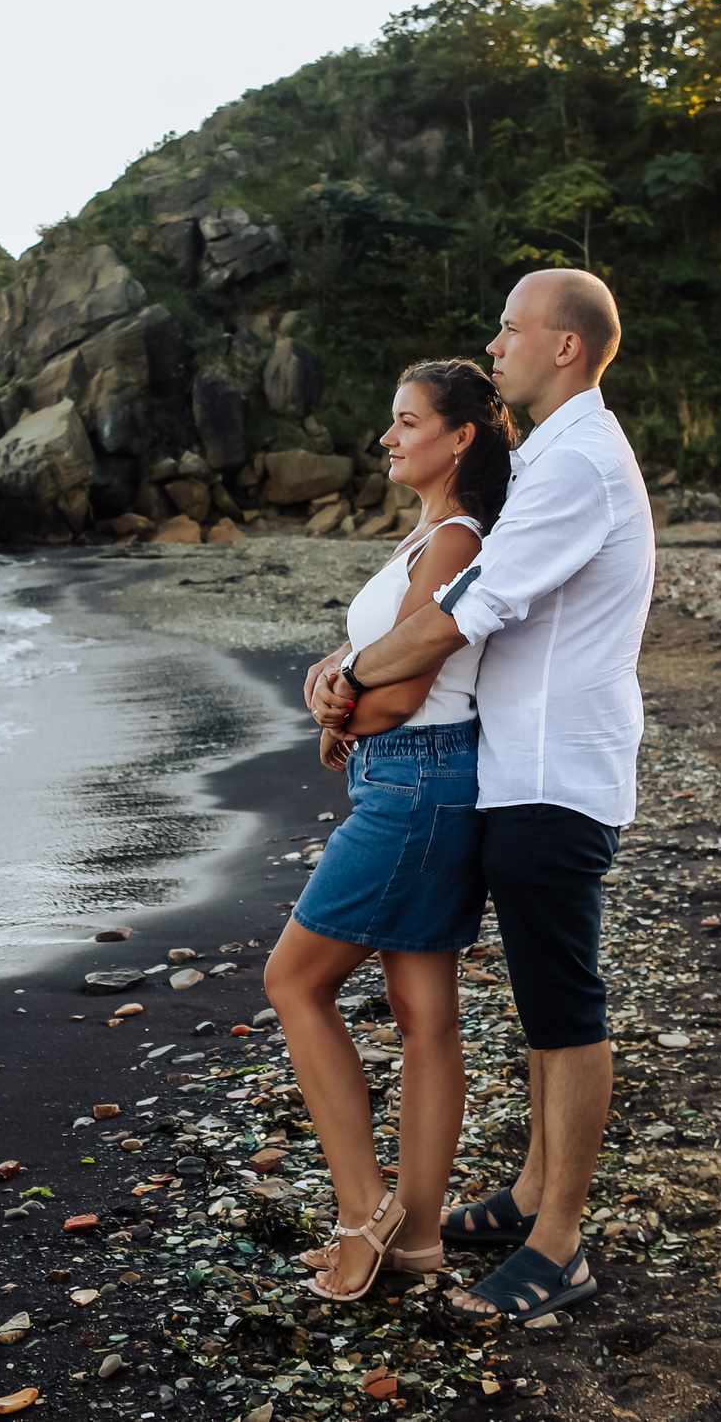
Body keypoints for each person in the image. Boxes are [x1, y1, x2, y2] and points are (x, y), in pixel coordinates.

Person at [307, 269, 653, 1325]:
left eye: (512, 329)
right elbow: (454, 608)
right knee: (538, 1007)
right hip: (516, 766)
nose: (494, 345)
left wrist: (351, 678)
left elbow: (468, 612)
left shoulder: (580, 464)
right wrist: (352, 663)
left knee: (563, 1011)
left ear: (565, 348)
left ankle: (558, 1244)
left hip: (553, 771)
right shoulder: (552, 457)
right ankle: (528, 1197)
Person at [262, 359, 517, 1302]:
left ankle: (363, 1208)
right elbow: (372, 658)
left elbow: (403, 690)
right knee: (424, 1015)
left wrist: (337, 714)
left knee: (294, 978)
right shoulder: (429, 539)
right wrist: (336, 678)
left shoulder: (454, 541)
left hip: (414, 783)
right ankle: (415, 1240)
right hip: (425, 779)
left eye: (407, 421)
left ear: (459, 439)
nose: (387, 437)